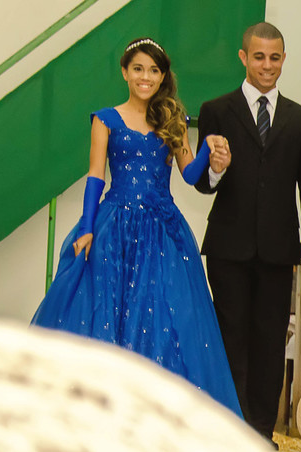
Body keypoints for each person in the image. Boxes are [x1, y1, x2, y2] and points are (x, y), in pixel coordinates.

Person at [31, 38, 240, 416]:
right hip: (115, 228)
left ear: (163, 76)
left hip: (163, 232)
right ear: (125, 72)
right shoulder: (104, 119)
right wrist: (87, 228)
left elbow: (190, 174)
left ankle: (152, 412)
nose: (146, 77)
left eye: (154, 70)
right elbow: (96, 176)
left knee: (164, 317)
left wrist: (209, 149)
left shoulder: (173, 119)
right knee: (108, 312)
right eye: (139, 69)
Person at [196, 22, 301, 445]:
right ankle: (230, 429)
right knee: (230, 337)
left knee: (269, 340)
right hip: (228, 246)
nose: (267, 65)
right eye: (258, 57)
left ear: (283, 59)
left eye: (274, 57)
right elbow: (202, 182)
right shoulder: (216, 109)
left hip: (278, 248)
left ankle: (260, 431)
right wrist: (216, 169)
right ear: (243, 57)